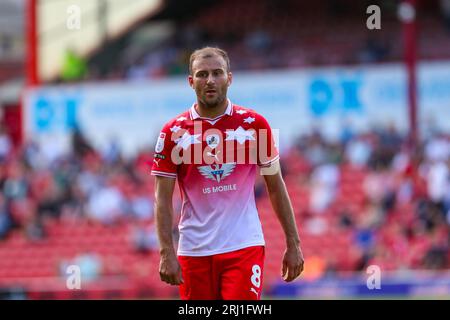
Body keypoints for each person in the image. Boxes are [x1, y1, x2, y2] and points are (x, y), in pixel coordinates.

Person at [151, 47, 304, 300]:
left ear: (229, 78)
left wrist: (294, 243)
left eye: (217, 73)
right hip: (194, 250)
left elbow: (276, 186)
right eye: (202, 74)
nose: (210, 80)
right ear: (191, 82)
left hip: (243, 246)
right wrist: (166, 252)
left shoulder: (255, 125)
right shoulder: (173, 132)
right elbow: (162, 198)